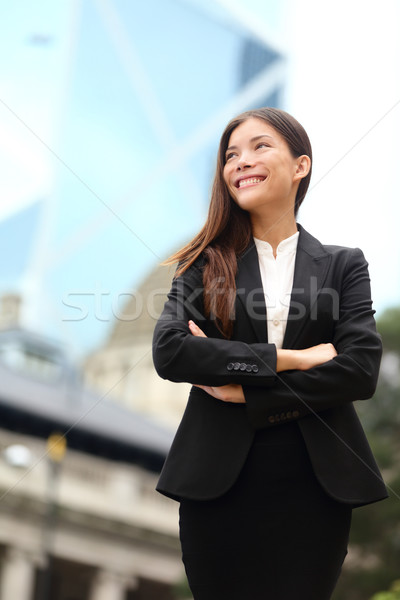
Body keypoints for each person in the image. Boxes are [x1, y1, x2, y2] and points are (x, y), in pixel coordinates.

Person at [152, 107, 387, 600]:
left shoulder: (344, 266)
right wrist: (290, 358)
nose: (241, 161)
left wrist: (248, 394)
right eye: (231, 154)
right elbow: (172, 352)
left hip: (315, 485)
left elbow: (359, 370)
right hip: (216, 481)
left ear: (300, 165)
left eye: (260, 147)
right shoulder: (202, 263)